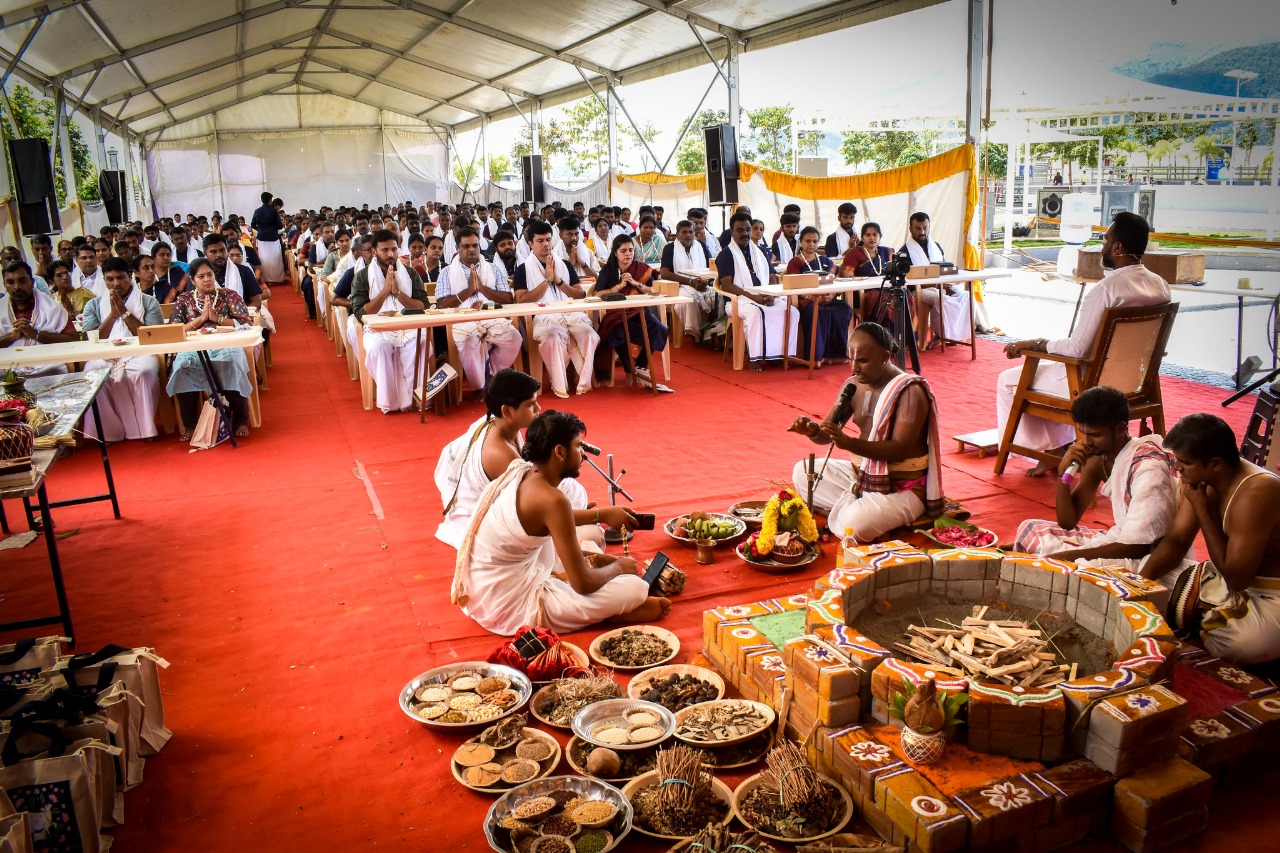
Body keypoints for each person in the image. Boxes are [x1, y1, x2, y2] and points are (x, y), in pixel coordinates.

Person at [451, 410, 670, 635]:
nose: (583, 453)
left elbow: (555, 519)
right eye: (578, 446)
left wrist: (603, 515)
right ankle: (613, 613)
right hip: (508, 606)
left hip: (486, 591)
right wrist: (619, 567)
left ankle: (606, 601)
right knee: (635, 588)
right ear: (560, 452)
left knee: (586, 543)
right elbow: (583, 584)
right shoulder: (553, 499)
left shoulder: (523, 470)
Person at [998, 212, 1170, 476]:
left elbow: (1077, 350)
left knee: (1008, 381)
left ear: (1117, 247)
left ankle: (1050, 450)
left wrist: (1034, 343)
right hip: (1136, 384)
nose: (1102, 246)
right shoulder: (1160, 285)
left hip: (1091, 385)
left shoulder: (1106, 290)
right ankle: (1057, 446)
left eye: (1106, 240)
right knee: (1043, 376)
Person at [1140, 414, 1280, 665]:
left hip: (1269, 596)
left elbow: (1238, 579)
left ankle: (1201, 615)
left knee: (1242, 644)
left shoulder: (1257, 492)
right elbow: (1177, 541)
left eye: (1185, 463)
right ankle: (1205, 615)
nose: (1177, 468)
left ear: (1215, 463)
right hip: (1223, 580)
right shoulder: (1202, 478)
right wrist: (1139, 586)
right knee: (1144, 569)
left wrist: (1202, 510)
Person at [788, 322, 944, 541]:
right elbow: (827, 434)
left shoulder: (910, 392)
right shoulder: (853, 385)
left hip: (900, 488)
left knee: (854, 526)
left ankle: (851, 512)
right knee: (802, 471)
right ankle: (857, 508)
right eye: (850, 359)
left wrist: (849, 443)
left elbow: (899, 449)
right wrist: (812, 431)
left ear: (885, 356)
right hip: (862, 476)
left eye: (862, 361)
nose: (854, 368)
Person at [435, 369, 613, 549]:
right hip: (489, 531)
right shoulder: (501, 455)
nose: (538, 409)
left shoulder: (497, 421)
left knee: (570, 489)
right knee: (593, 536)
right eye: (530, 404)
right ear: (507, 411)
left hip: (519, 501)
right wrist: (600, 515)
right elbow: (540, 508)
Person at [1013, 387, 1179, 565]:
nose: (1086, 442)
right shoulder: (1098, 459)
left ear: (1120, 428)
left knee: (1073, 564)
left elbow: (1138, 546)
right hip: (1122, 539)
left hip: (1148, 556)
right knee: (1030, 528)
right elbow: (1067, 521)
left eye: (1095, 435)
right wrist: (1063, 474)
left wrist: (1060, 559)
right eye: (1083, 433)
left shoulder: (1148, 467)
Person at [166, 258, 254, 440]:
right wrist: (200, 320)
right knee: (182, 367)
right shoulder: (184, 299)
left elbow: (246, 323)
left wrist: (218, 319)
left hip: (226, 343)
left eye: (209, 274)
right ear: (192, 280)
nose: (206, 279)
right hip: (193, 347)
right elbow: (174, 330)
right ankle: (190, 424)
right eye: (201, 276)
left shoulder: (229, 295)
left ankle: (240, 420)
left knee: (233, 363)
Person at [81, 257, 164, 442]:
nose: (115, 283)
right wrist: (112, 316)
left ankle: (145, 430)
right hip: (104, 353)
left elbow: (152, 336)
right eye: (110, 279)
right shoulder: (93, 305)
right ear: (104, 280)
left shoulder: (148, 302)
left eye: (120, 278)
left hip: (141, 352)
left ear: (130, 276)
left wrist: (125, 313)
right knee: (92, 374)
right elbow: (91, 340)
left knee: (144, 372)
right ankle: (108, 433)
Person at [513, 221, 598, 399]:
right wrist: (546, 281)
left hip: (571, 314)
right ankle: (560, 384)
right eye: (540, 241)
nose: (546, 244)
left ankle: (583, 381)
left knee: (589, 335)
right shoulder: (523, 270)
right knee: (552, 339)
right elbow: (520, 300)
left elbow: (579, 295)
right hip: (543, 317)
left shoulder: (564, 265)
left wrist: (558, 281)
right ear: (530, 244)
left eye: (548, 240)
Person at [350, 229, 429, 413]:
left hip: (408, 325)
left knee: (421, 341)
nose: (390, 254)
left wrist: (398, 293)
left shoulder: (410, 273)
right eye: (384, 250)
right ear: (374, 251)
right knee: (380, 348)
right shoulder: (362, 277)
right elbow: (360, 313)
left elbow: (423, 306)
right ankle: (391, 402)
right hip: (376, 329)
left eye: (393, 249)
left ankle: (418, 398)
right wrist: (385, 291)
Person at [436, 227, 521, 397]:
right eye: (466, 246)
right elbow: (441, 305)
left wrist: (482, 288)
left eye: (475, 245)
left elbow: (507, 299)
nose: (471, 249)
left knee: (514, 338)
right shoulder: (446, 272)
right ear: (457, 248)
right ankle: (478, 387)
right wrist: (468, 291)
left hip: (490, 316)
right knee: (469, 340)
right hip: (462, 319)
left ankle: (492, 377)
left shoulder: (493, 269)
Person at [715, 211, 798, 370]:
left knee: (792, 312)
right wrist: (753, 297)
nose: (745, 234)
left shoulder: (760, 251)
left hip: (764, 296)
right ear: (732, 232)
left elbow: (772, 276)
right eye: (740, 230)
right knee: (756, 313)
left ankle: (781, 354)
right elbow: (726, 285)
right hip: (738, 301)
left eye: (747, 229)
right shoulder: (726, 254)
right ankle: (754, 357)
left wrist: (772, 295)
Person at [594, 234, 672, 392]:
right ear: (615, 253)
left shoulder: (641, 268)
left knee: (658, 329)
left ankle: (640, 366)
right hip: (616, 314)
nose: (628, 254)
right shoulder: (609, 270)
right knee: (617, 331)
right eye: (623, 251)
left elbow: (654, 290)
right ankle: (630, 370)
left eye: (630, 250)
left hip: (639, 312)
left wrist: (636, 283)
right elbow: (597, 294)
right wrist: (619, 286)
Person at [901, 211, 969, 350]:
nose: (922, 231)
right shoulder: (904, 252)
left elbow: (943, 269)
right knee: (940, 298)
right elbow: (908, 281)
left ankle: (954, 334)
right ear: (910, 229)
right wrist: (939, 286)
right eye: (918, 228)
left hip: (939, 286)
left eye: (925, 227)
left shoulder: (936, 246)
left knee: (965, 295)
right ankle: (940, 334)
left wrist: (946, 285)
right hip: (917, 291)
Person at [0, 261, 79, 378]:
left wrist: (35, 334)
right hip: (7, 369)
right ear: (4, 285)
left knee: (56, 368)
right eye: (10, 282)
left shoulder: (53, 308)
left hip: (47, 367)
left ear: (32, 282)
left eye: (22, 281)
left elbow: (73, 339)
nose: (17, 287)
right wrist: (12, 336)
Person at [788, 226, 853, 364]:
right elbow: (792, 286)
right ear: (801, 242)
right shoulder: (795, 262)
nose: (811, 244)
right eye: (808, 241)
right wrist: (812, 297)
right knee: (817, 311)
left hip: (826, 298)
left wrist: (831, 295)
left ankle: (836, 355)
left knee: (844, 309)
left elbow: (834, 281)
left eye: (815, 241)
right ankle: (815, 357)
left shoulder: (825, 261)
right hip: (806, 300)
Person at [658, 219, 714, 343]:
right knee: (689, 300)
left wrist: (704, 281)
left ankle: (711, 333)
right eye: (684, 232)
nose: (688, 235)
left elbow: (712, 266)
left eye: (690, 232)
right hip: (681, 286)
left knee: (719, 297)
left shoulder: (701, 246)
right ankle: (696, 334)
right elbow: (664, 273)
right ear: (677, 234)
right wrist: (690, 282)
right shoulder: (670, 248)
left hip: (703, 284)